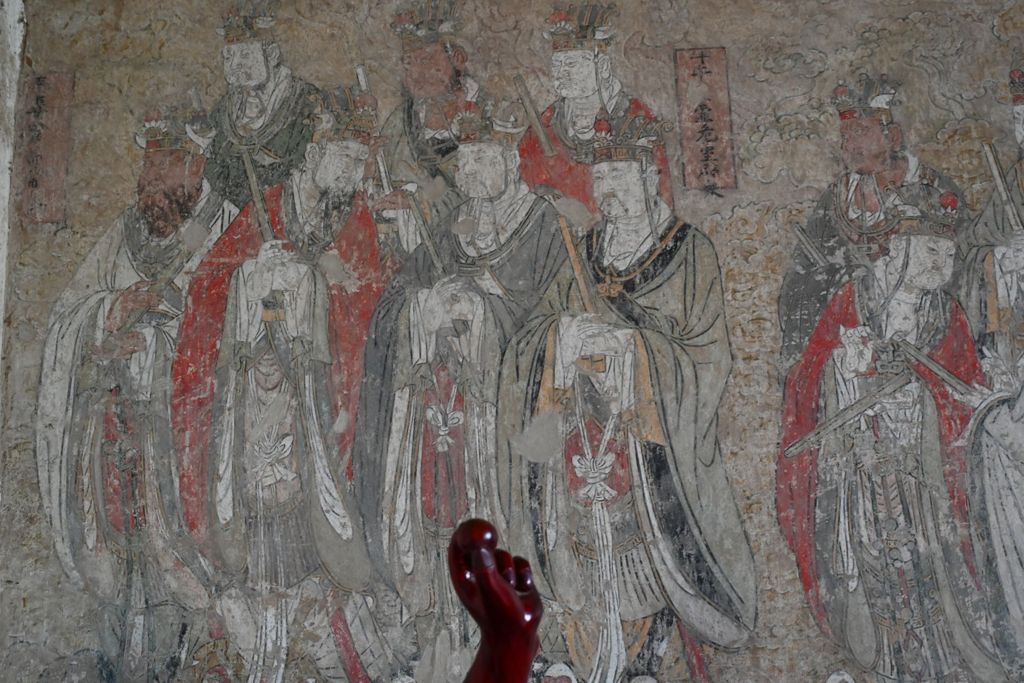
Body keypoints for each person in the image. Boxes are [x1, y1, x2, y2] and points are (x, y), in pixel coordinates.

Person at [498, 112, 756, 683]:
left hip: (648, 447)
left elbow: (709, 356)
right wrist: (561, 338)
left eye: (621, 174)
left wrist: (635, 352)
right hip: (580, 442)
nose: (608, 188)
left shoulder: (690, 255)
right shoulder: (581, 254)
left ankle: (648, 651)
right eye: (601, 176)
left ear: (650, 175)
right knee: (575, 545)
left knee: (649, 547)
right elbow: (528, 342)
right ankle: (573, 652)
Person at [171, 94, 387, 681]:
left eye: (358, 162)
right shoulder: (267, 209)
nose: (351, 174)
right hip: (259, 394)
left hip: (325, 393)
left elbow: (372, 302)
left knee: (317, 492)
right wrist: (256, 274)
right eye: (343, 159)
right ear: (314, 153)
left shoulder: (355, 217)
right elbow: (212, 285)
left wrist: (328, 284)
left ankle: (320, 616)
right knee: (262, 492)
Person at [352, 101, 569, 683]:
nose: (469, 171)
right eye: (462, 160)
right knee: (440, 516)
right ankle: (439, 630)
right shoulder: (450, 229)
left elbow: (562, 316)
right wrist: (426, 306)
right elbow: (397, 302)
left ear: (509, 158)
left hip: (513, 420)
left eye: (481, 157)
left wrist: (487, 305)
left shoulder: (545, 224)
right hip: (445, 419)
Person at [35, 111, 223, 681]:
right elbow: (68, 315)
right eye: (146, 180)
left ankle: (183, 656)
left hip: (188, 442)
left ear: (193, 171)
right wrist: (107, 314)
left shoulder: (223, 231)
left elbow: (223, 327)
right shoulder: (125, 233)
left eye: (164, 180)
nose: (150, 192)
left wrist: (154, 339)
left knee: (178, 572)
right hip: (119, 436)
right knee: (122, 560)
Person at [777, 218, 1007, 681]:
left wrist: (932, 397)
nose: (943, 267)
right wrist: (848, 367)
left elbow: (963, 387)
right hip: (864, 465)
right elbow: (810, 376)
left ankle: (943, 659)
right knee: (873, 558)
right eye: (931, 253)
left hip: (927, 470)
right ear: (899, 248)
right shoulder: (852, 300)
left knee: (932, 558)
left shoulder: (945, 311)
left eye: (947, 255)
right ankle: (884, 661)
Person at [778, 74, 967, 367]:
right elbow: (802, 272)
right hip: (850, 333)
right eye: (845, 136)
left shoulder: (934, 192)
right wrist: (836, 281)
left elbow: (960, 268)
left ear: (892, 137)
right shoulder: (836, 199)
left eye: (861, 132)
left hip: (919, 328)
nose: (850, 144)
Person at [518, 2, 673, 213]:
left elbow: (659, 194)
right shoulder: (546, 122)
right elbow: (523, 179)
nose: (562, 73)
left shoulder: (636, 122)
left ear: (603, 67)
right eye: (557, 66)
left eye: (572, 64)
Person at [372, 0, 485, 258]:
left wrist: (419, 203)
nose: (415, 72)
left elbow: (488, 193)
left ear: (457, 58)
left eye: (426, 59)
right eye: (408, 62)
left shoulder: (492, 118)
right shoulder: (398, 123)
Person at [194, 2, 325, 211]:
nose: (235, 66)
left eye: (245, 54)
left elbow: (300, 175)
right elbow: (215, 176)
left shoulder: (306, 104)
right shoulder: (223, 112)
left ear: (271, 55)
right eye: (229, 56)